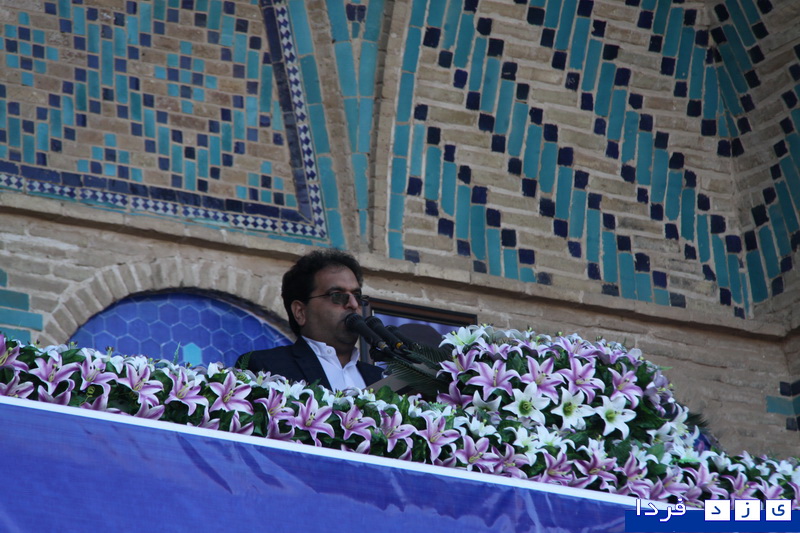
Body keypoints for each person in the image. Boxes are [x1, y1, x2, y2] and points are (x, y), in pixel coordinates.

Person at [237, 249, 384, 390]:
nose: (353, 304)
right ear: (300, 312)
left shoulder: (380, 378)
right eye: (337, 295)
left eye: (357, 296)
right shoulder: (266, 367)